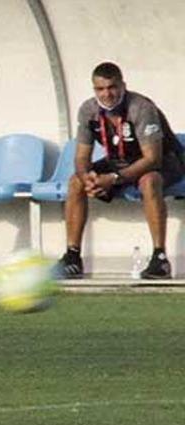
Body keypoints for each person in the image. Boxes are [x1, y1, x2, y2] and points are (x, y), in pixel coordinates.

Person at [57, 62, 184, 279]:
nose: (107, 94)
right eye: (100, 89)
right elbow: (81, 157)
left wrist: (114, 178)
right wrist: (87, 177)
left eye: (112, 87)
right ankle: (72, 257)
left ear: (123, 85)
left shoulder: (141, 107)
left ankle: (160, 260)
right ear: (94, 89)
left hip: (164, 161)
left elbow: (152, 158)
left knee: (149, 181)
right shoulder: (88, 110)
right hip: (120, 161)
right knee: (75, 182)